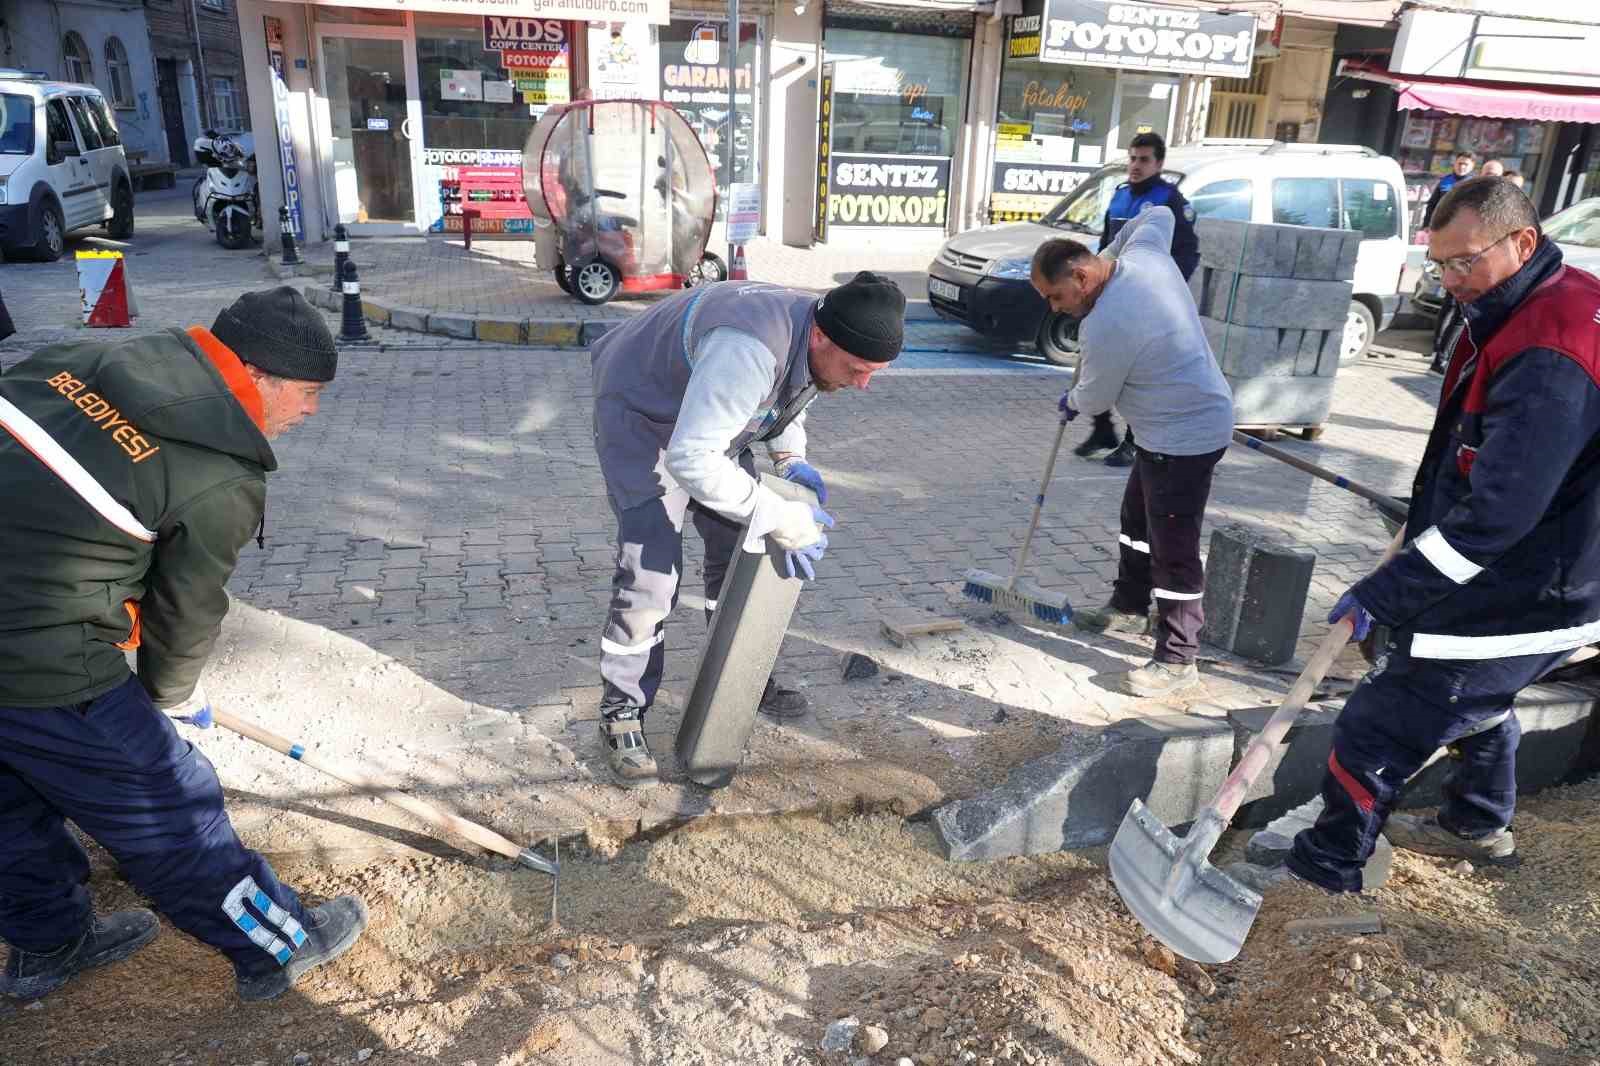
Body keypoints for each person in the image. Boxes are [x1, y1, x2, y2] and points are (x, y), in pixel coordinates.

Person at [0, 288, 367, 1003]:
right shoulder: (219, 476)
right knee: (171, 806)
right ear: (256, 375)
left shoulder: (76, 359)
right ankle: (281, 943)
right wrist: (170, 697)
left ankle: (49, 943)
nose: (311, 411)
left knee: (11, 800)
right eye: (308, 392)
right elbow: (185, 608)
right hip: (39, 659)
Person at [1236, 177, 1600, 894]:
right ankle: (1475, 824)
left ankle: (1326, 871)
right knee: (1474, 699)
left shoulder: (1550, 347)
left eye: (1465, 262)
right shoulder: (1542, 298)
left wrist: (1391, 591)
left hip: (1531, 586)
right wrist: (1426, 514)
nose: (1451, 282)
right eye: (1439, 265)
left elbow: (1500, 512)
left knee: (1384, 720)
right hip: (1553, 563)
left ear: (1522, 241)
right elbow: (1484, 454)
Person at [590, 272, 904, 788]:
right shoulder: (748, 348)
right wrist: (779, 515)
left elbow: (789, 392)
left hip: (707, 415)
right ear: (822, 338)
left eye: (874, 372)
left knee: (740, 551)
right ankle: (622, 711)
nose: (863, 383)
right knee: (651, 575)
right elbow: (692, 457)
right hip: (642, 415)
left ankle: (736, 678)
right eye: (857, 369)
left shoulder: (823, 324)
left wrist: (789, 458)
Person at [1031, 206, 1234, 697]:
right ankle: (1127, 607)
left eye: (1056, 296)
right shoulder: (1145, 256)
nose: (1055, 308)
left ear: (1081, 276)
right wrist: (1110, 251)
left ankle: (1178, 659)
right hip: (1166, 429)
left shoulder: (1107, 324)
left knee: (1174, 548)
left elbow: (1096, 398)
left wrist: (1071, 400)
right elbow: (1159, 213)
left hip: (1184, 438)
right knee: (1137, 523)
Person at [1077, 132, 1202, 469]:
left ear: (1158, 164)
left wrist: (1163, 290)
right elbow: (1106, 246)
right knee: (1096, 357)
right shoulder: (1118, 197)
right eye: (1132, 158)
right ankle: (1102, 428)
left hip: (1147, 302)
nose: (1136, 165)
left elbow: (1188, 253)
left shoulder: (1169, 202)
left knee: (1138, 370)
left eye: (1144, 159)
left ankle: (1134, 442)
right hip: (1114, 294)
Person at [1422, 152, 1475, 229]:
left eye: (1465, 164)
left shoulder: (1474, 184)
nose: (1462, 166)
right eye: (1459, 163)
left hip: (1461, 228)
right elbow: (1432, 204)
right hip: (1440, 225)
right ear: (1455, 164)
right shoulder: (1445, 180)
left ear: (1472, 167)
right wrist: (1426, 225)